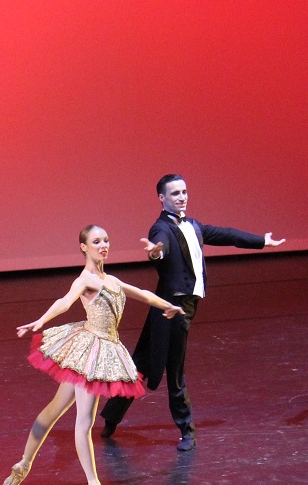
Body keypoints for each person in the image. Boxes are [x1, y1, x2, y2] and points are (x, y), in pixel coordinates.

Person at [98, 174, 284, 450]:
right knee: (173, 368)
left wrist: (261, 241)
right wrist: (155, 253)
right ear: (162, 198)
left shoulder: (194, 225)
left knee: (141, 364)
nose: (181, 197)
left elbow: (226, 234)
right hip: (174, 307)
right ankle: (187, 430)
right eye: (175, 193)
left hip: (174, 305)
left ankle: (111, 419)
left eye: (184, 192)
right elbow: (161, 247)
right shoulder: (160, 229)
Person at [5, 225, 184, 485]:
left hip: (104, 346)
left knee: (53, 410)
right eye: (96, 241)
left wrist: (167, 305)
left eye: (106, 240)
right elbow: (64, 302)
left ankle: (25, 461)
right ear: (83, 247)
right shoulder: (85, 279)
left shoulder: (111, 280)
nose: (103, 245)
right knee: (84, 420)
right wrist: (41, 321)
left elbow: (141, 292)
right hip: (89, 349)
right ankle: (93, 483)